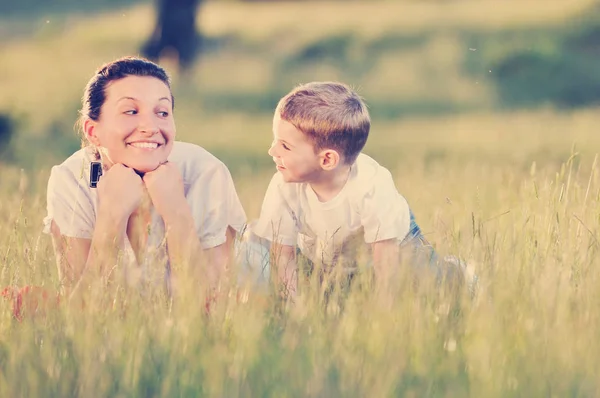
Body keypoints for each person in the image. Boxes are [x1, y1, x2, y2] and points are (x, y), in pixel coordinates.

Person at [44, 56, 246, 300]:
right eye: (131, 111)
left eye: (162, 112)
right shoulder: (71, 180)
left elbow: (211, 312)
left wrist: (175, 210)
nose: (150, 126)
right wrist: (111, 214)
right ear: (92, 131)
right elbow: (81, 315)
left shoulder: (206, 174)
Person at [243, 82, 471, 297]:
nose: (272, 151)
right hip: (330, 253)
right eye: (276, 140)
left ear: (327, 160)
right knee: (257, 238)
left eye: (285, 146)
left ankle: (458, 275)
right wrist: (293, 309)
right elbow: (283, 256)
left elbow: (386, 259)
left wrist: (383, 315)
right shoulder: (284, 186)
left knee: (428, 282)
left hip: (394, 246)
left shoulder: (372, 186)